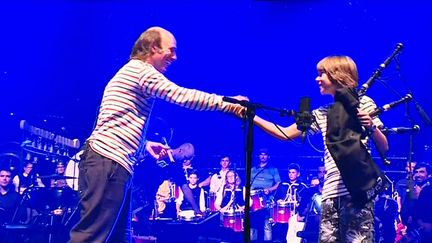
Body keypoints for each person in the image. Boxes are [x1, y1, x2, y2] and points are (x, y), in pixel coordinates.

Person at [69, 26, 245, 243]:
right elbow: (181, 96)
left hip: (109, 161)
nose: (175, 56)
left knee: (119, 239)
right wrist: (227, 103)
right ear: (153, 48)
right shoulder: (141, 70)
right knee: (91, 237)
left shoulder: (129, 72)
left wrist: (145, 144)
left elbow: (115, 122)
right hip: (109, 162)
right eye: (170, 50)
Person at [253, 55, 389, 242]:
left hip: (357, 193)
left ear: (337, 75)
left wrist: (371, 126)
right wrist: (251, 116)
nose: (317, 79)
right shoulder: (323, 113)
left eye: (322, 74)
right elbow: (285, 133)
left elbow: (384, 146)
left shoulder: (364, 103)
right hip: (330, 195)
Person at [250, 148, 281, 242]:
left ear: (268, 156)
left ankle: (267, 241)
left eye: (265, 154)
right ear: (258, 156)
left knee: (267, 223)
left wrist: (270, 189)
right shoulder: (253, 169)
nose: (263, 156)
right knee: (252, 223)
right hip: (253, 198)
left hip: (266, 199)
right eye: (261, 154)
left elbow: (278, 183)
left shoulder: (273, 170)